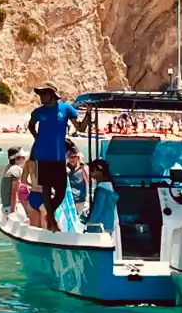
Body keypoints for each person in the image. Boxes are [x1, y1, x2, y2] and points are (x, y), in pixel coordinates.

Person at [27, 83, 78, 230]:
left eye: (44, 94)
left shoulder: (66, 109)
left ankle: (49, 216)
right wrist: (37, 137)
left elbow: (80, 127)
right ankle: (51, 221)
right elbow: (31, 125)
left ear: (52, 95)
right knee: (46, 190)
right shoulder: (38, 112)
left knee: (61, 192)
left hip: (59, 156)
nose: (41, 97)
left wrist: (88, 114)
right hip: (43, 156)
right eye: (40, 94)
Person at [86, 158, 119, 234]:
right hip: (109, 224)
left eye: (92, 170)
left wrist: (89, 226)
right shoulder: (109, 187)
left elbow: (98, 209)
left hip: (100, 226)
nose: (90, 173)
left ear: (100, 171)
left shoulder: (101, 190)